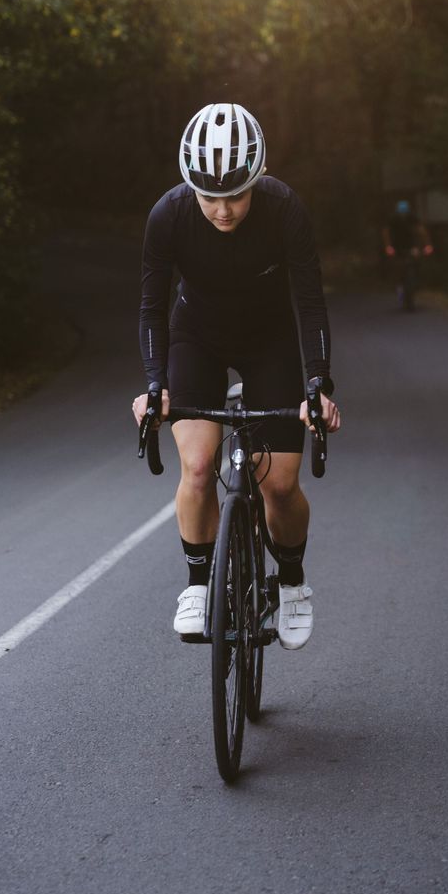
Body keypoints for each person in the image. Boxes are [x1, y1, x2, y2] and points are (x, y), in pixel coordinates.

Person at [133, 102, 340, 651]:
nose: (223, 211)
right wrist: (154, 384)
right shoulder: (168, 215)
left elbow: (310, 303)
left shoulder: (284, 209)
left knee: (280, 485)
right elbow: (151, 307)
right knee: (199, 466)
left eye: (237, 196)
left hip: (269, 341)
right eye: (209, 197)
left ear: (258, 178)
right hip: (195, 338)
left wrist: (317, 384)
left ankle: (292, 581)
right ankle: (198, 584)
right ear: (189, 186)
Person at [381, 199, 434, 310]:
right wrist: (388, 246)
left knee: (416, 262)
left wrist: (427, 245)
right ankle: (398, 285)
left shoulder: (412, 218)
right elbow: (386, 232)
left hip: (411, 247)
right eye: (401, 213)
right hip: (397, 248)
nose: (403, 215)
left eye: (404, 213)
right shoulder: (393, 219)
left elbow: (421, 231)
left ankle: (415, 284)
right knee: (397, 267)